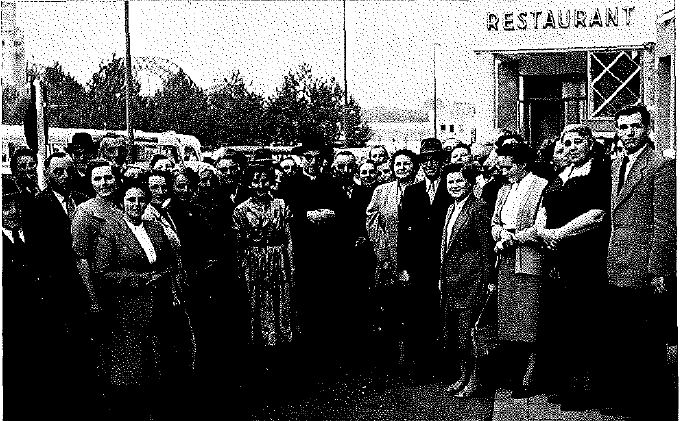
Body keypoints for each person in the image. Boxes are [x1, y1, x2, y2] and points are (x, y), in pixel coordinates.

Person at [601, 104, 676, 419]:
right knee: (623, 335)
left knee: (647, 339)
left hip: (643, 265)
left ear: (647, 128)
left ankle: (651, 403)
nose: (628, 133)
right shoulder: (618, 163)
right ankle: (626, 398)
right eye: (622, 127)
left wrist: (658, 269)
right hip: (618, 261)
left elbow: (666, 224)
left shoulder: (660, 166)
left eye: (634, 127)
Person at [94, 180, 191, 420]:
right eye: (130, 200)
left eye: (140, 200)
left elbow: (170, 261)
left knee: (157, 364)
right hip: (127, 308)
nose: (136, 205)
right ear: (122, 203)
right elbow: (103, 272)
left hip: (159, 304)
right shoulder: (110, 230)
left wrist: (166, 280)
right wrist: (141, 279)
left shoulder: (155, 228)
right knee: (131, 367)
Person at [536, 124, 611, 409]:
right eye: (566, 143)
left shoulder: (599, 172)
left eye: (577, 142)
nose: (571, 148)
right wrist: (544, 232)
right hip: (557, 256)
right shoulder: (560, 175)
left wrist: (560, 233)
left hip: (586, 255)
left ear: (590, 145)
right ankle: (568, 385)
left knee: (586, 321)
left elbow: (597, 214)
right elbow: (545, 209)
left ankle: (589, 390)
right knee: (562, 320)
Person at [22, 152, 99, 418]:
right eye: (58, 172)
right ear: (48, 174)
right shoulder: (38, 204)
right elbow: (37, 251)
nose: (64, 177)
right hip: (56, 286)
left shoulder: (77, 201)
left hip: (79, 282)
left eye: (68, 171)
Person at [490, 136, 548, 398]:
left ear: (522, 164)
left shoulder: (541, 186)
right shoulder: (503, 189)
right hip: (505, 258)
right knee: (509, 317)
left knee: (529, 317)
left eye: (508, 167)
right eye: (501, 167)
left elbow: (540, 228)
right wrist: (500, 234)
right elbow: (494, 222)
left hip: (528, 258)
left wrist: (513, 237)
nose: (504, 172)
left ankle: (530, 375)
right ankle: (511, 373)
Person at [233, 163, 296, 387]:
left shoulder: (281, 205)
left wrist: (290, 263)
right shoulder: (240, 210)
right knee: (258, 307)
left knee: (281, 305)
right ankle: (260, 361)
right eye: (256, 180)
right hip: (253, 262)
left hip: (278, 261)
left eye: (265, 180)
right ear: (249, 183)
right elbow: (239, 243)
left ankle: (281, 359)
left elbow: (288, 237)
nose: (260, 185)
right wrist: (243, 269)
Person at [398, 138, 451, 382]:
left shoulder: (451, 188)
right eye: (426, 160)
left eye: (435, 159)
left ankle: (444, 365)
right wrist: (405, 267)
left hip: (444, 261)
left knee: (442, 313)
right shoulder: (412, 191)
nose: (430, 164)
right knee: (418, 314)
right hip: (419, 264)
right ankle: (420, 366)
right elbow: (403, 233)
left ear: (442, 162)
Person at [439, 163, 494, 397]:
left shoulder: (478, 208)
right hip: (452, 281)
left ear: (469, 183)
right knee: (456, 335)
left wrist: (488, 279)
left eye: (459, 181)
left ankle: (474, 381)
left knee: (469, 334)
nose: (454, 185)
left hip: (471, 280)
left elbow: (486, 248)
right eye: (450, 181)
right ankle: (462, 376)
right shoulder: (451, 208)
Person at [366, 149, 419, 386]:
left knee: (409, 312)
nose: (401, 168)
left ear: (413, 167)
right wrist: (383, 252)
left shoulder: (419, 190)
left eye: (406, 164)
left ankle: (407, 361)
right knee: (385, 312)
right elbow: (371, 221)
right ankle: (384, 364)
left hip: (410, 262)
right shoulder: (381, 190)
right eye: (397, 164)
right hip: (386, 260)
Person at [66, 132, 97, 198]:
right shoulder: (67, 177)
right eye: (77, 154)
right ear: (71, 155)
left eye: (86, 154)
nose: (82, 158)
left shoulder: (98, 174)